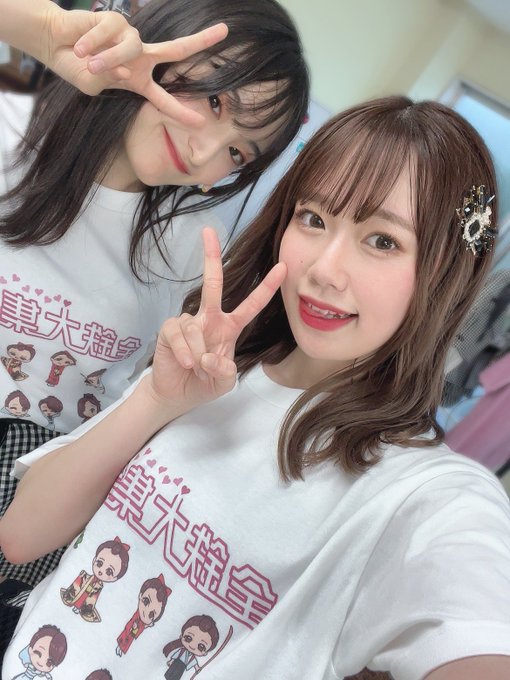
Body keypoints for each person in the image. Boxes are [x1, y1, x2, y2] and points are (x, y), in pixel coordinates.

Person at [2, 96, 510, 679]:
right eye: (313, 218)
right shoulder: (213, 369)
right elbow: (21, 536)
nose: (324, 269)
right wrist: (156, 402)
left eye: (383, 241)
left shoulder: (424, 494)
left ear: (445, 274)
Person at [0, 0, 309, 595]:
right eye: (216, 102)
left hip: (38, 509)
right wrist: (45, 30)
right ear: (170, 37)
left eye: (237, 154)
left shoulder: (191, 248)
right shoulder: (10, 128)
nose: (203, 155)